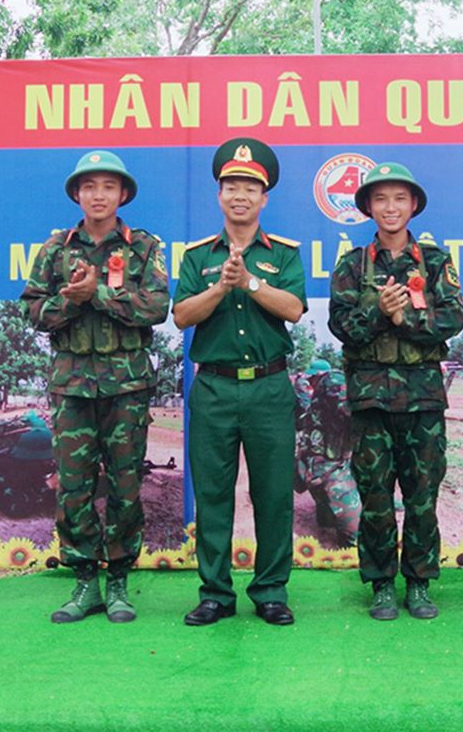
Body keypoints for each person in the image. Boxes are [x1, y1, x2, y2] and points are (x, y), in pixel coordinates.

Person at [20, 149, 170, 625]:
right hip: (72, 386)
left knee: (126, 484)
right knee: (74, 486)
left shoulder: (144, 248)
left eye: (108, 186)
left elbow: (155, 307)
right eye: (89, 187)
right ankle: (84, 580)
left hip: (126, 385)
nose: (98, 195)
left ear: (122, 194)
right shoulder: (56, 251)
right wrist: (71, 301)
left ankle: (120, 580)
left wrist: (99, 294)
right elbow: (34, 311)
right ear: (77, 195)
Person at [173, 138, 306, 627]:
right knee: (212, 493)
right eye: (231, 186)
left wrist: (249, 281)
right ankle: (215, 593)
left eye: (250, 187)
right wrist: (220, 285)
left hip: (269, 389)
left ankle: (271, 590)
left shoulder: (284, 255)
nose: (240, 195)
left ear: (264, 197)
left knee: (273, 494)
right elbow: (182, 316)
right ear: (219, 194)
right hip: (214, 389)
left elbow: (293, 309)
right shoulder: (196, 257)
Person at [328, 162, 463, 620]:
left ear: (413, 206)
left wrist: (408, 319)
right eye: (381, 199)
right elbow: (341, 326)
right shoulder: (352, 264)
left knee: (423, 495)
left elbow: (453, 319)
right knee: (377, 497)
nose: (390, 207)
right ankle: (382, 584)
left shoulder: (436, 261)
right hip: (370, 399)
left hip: (423, 398)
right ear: (367, 206)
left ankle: (420, 583)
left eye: (400, 199)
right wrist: (378, 312)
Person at [293, 359, 361, 546]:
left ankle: (327, 513)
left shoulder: (337, 382)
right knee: (356, 536)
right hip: (327, 468)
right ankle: (329, 513)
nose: (310, 384)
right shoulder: (333, 381)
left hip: (325, 464)